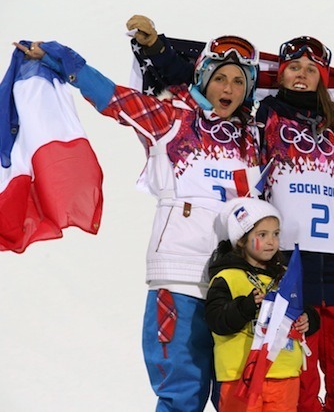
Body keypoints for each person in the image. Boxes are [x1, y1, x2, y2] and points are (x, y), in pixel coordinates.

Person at [129, 18, 334, 411]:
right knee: (295, 381)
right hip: (287, 262)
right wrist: (158, 49)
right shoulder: (261, 120)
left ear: (324, 78)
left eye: (312, 69)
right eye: (294, 67)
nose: (302, 74)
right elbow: (211, 85)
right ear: (279, 74)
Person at [15, 34, 263, 412]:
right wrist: (64, 62)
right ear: (203, 79)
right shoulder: (173, 119)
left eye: (238, 82)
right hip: (180, 279)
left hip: (236, 286)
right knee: (182, 394)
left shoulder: (256, 139)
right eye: (220, 78)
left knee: (240, 398)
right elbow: (115, 99)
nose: (228, 88)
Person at [206, 197, 320, 412]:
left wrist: (308, 319)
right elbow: (217, 321)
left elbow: (302, 308)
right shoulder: (227, 277)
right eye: (262, 235)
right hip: (241, 376)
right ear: (241, 239)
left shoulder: (284, 277)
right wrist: (245, 307)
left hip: (283, 373)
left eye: (276, 234)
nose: (271, 242)